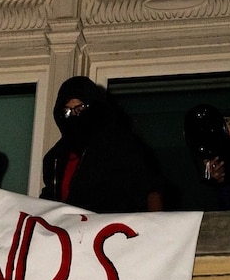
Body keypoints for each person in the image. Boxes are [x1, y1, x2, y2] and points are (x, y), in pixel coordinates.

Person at [39, 76, 163, 213]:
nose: (74, 116)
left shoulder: (120, 146)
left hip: (113, 229)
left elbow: (150, 190)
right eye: (67, 111)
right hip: (72, 231)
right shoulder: (55, 158)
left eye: (80, 108)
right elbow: (48, 205)